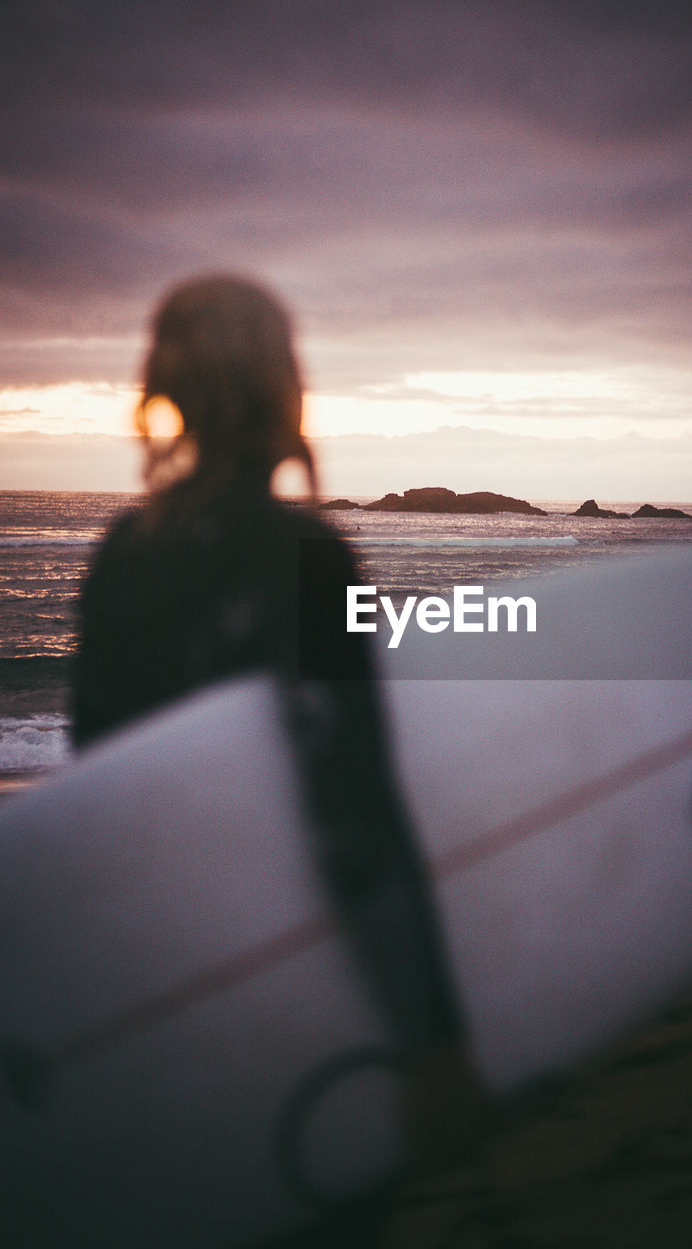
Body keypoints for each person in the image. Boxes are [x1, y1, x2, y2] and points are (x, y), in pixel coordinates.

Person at [72, 273, 482, 1170]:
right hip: (288, 976)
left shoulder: (118, 558)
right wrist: (435, 1040)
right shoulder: (304, 557)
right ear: (277, 386)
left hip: (153, 984)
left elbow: (93, 791)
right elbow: (351, 809)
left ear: (167, 390)